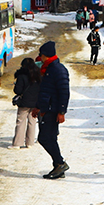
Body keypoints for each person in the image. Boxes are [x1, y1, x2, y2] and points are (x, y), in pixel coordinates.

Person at [34, 41, 70, 179]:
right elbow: (44, 91)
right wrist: (38, 106)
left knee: (45, 138)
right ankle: (58, 166)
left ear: (45, 55)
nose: (40, 58)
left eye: (41, 55)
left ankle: (60, 163)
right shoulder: (48, 69)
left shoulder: (58, 70)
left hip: (52, 110)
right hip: (46, 109)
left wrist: (61, 112)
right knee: (50, 138)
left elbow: (64, 92)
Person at [11, 57, 41, 148]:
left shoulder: (22, 76)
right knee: (32, 122)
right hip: (35, 102)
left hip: (24, 102)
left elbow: (18, 90)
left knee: (21, 122)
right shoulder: (38, 75)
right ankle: (30, 142)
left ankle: (17, 143)